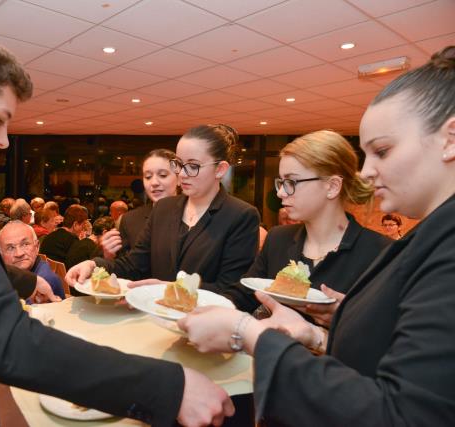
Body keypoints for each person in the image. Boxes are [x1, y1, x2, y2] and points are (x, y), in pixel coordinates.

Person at [0, 31, 232, 427]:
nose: (3, 141)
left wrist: (24, 282)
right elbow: (8, 342)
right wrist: (168, 389)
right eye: (0, 119)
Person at [179, 46, 455, 426]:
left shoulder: (432, 249)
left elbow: (402, 413)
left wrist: (250, 333)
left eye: (383, 151)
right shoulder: (428, 237)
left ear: (450, 138)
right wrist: (328, 324)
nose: (368, 171)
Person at [67, 124, 260, 296]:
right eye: (178, 164)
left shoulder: (240, 216)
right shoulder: (164, 209)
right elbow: (133, 265)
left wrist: (169, 289)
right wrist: (95, 265)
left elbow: (233, 291)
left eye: (192, 166)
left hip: (204, 327)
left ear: (220, 169)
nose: (182, 174)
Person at [226, 130, 391, 326]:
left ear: (332, 186)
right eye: (280, 182)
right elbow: (244, 295)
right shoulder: (278, 239)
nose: (280, 193)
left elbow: (382, 330)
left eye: (291, 182)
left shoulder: (380, 253)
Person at [102, 148, 179, 258]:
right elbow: (124, 267)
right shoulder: (130, 220)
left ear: (179, 178)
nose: (154, 182)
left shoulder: (193, 215)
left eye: (162, 175)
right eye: (148, 177)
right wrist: (109, 255)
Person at [0, 220, 65, 300]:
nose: (19, 254)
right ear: (0, 254)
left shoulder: (45, 280)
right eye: (10, 248)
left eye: (25, 244)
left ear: (36, 247)